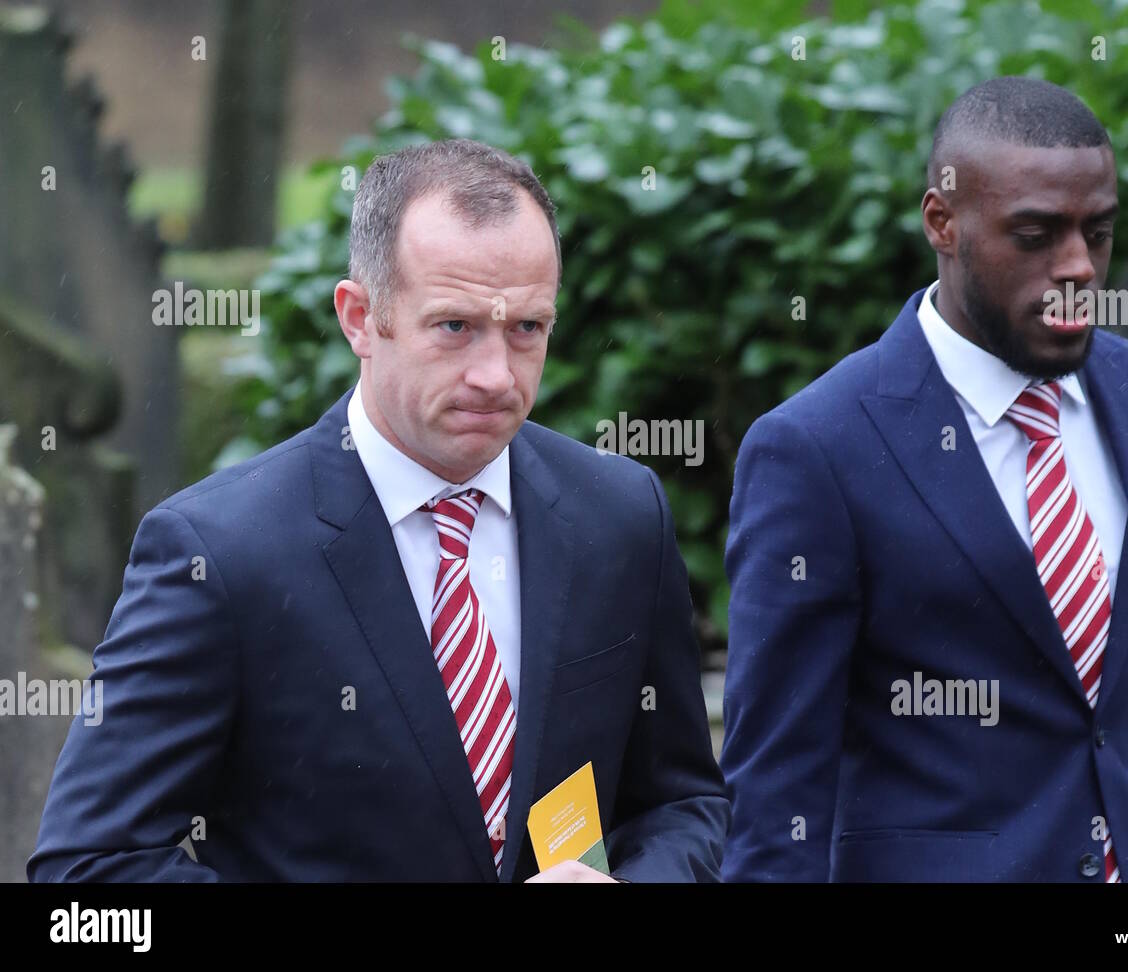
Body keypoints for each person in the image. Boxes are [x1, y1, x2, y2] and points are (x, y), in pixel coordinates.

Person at [29, 139, 727, 882]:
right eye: (455, 327)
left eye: (526, 328)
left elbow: (683, 806)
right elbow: (87, 875)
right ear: (360, 318)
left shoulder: (620, 516)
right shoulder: (217, 553)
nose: (496, 376)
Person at [720, 77, 1128, 882]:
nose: (1078, 268)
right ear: (943, 222)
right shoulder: (815, 449)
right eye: (1035, 235)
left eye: (1097, 234)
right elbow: (779, 789)